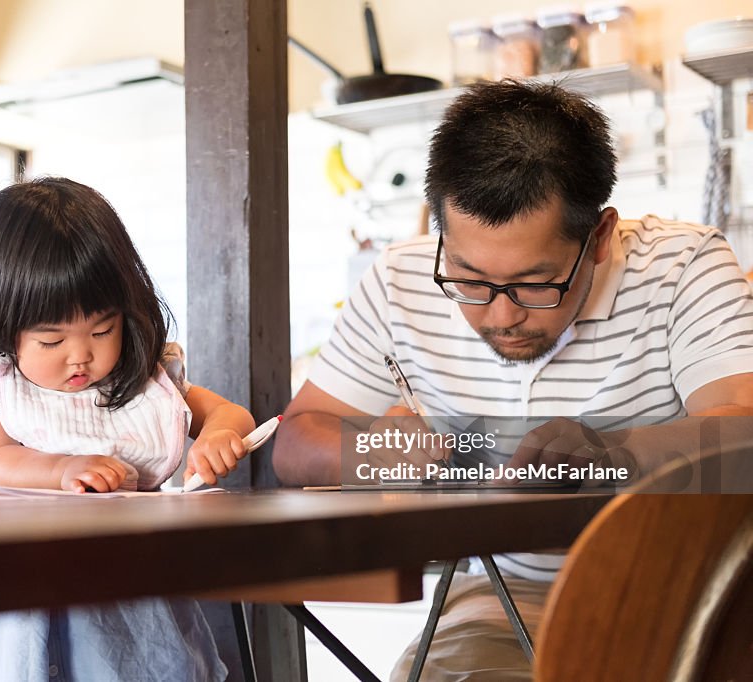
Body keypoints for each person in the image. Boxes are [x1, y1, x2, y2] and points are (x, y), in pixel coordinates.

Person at [274, 80, 753, 681]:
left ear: (600, 238)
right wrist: (380, 452)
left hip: (677, 586)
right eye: (470, 279)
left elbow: (744, 436)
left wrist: (611, 453)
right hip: (500, 597)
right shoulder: (400, 279)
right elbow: (296, 441)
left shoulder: (684, 266)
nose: (500, 316)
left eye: (535, 284)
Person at [0, 177, 255, 682]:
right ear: (3, 327)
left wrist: (221, 433)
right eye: (51, 341)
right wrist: (63, 468)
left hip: (133, 595)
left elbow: (225, 412)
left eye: (102, 330)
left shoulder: (145, 374)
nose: (81, 355)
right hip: (17, 591)